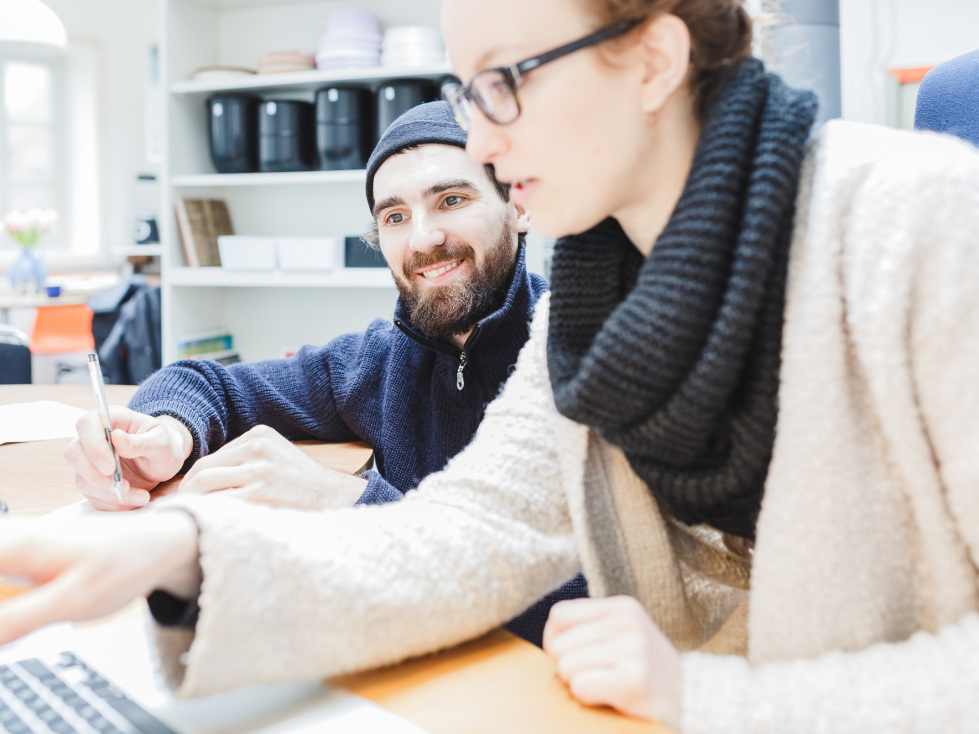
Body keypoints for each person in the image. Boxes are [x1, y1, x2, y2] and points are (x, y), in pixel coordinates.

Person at [2, 1, 979, 731]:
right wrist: (183, 545)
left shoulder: (927, 223)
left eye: (502, 81)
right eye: (470, 93)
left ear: (651, 58)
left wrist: (704, 695)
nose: (474, 135)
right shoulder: (598, 302)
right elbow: (469, 535)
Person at [62, 101, 588, 647]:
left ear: (518, 206)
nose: (423, 239)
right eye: (395, 217)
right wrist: (168, 434)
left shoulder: (590, 360)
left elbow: (598, 605)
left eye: (451, 200)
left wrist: (347, 502)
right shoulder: (381, 360)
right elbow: (208, 383)